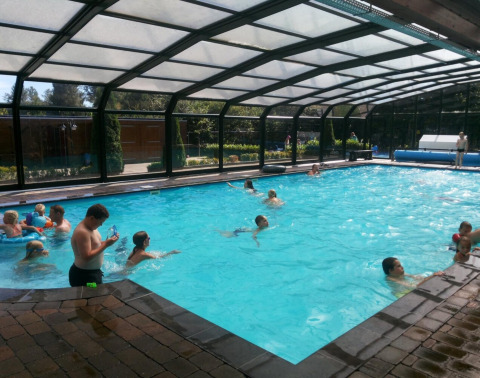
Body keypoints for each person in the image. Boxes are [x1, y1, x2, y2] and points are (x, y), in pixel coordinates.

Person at [69, 204, 119, 287]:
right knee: (90, 298)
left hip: (92, 274)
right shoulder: (83, 232)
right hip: (84, 277)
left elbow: (96, 245)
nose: (101, 225)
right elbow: (86, 257)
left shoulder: (91, 227)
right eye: (100, 222)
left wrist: (108, 242)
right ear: (92, 218)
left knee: (97, 297)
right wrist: (106, 244)